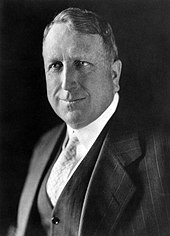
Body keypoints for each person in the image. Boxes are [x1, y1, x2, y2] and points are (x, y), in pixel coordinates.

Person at [9, 7, 170, 236]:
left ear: (114, 75)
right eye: (56, 65)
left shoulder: (162, 155)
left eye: (81, 64)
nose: (66, 84)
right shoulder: (44, 146)